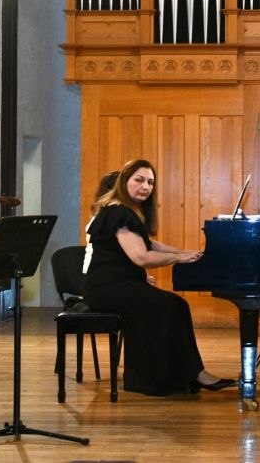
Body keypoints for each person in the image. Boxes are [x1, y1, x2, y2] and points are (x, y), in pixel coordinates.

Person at [83, 158, 235, 396]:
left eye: (151, 182)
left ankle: (187, 375)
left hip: (119, 283)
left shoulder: (125, 211)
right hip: (106, 288)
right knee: (171, 304)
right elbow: (142, 257)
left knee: (175, 305)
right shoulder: (119, 212)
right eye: (139, 180)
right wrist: (179, 258)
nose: (146, 186)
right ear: (124, 181)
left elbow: (149, 243)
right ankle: (176, 376)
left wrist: (181, 251)